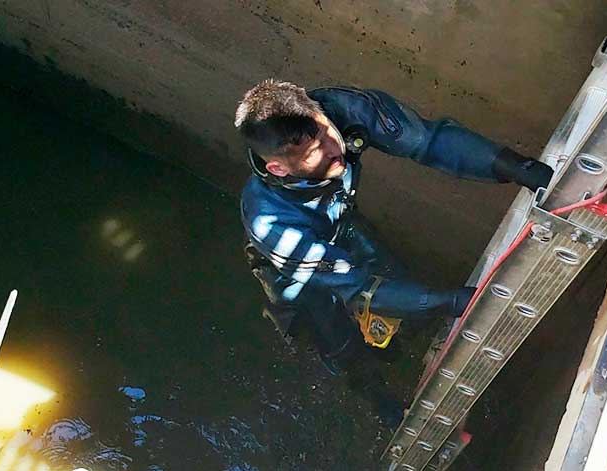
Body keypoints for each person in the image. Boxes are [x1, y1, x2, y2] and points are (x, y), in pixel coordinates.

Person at [235, 79, 553, 426]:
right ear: (278, 169)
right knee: (340, 343)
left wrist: (516, 167)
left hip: (343, 226)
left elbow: (426, 142)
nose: (334, 149)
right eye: (316, 153)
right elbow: (357, 288)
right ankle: (379, 399)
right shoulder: (271, 221)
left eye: (326, 132)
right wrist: (455, 303)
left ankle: (401, 340)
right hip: (296, 276)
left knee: (398, 288)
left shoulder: (341, 109)